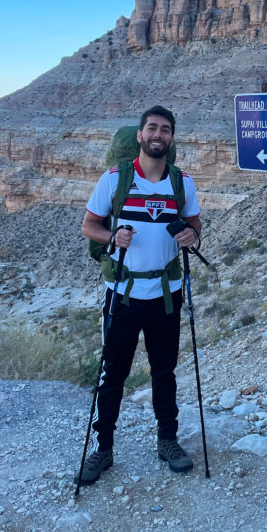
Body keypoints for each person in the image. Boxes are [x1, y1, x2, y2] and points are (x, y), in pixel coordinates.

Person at [78, 106, 201, 485]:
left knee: (164, 371)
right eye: (152, 128)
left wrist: (191, 236)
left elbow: (196, 226)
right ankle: (103, 448)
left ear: (171, 138)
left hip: (166, 293)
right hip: (123, 292)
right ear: (140, 135)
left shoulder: (182, 183)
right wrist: (112, 237)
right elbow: (89, 225)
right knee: (113, 372)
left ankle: (168, 441)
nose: (158, 135)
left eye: (165, 129)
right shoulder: (113, 180)